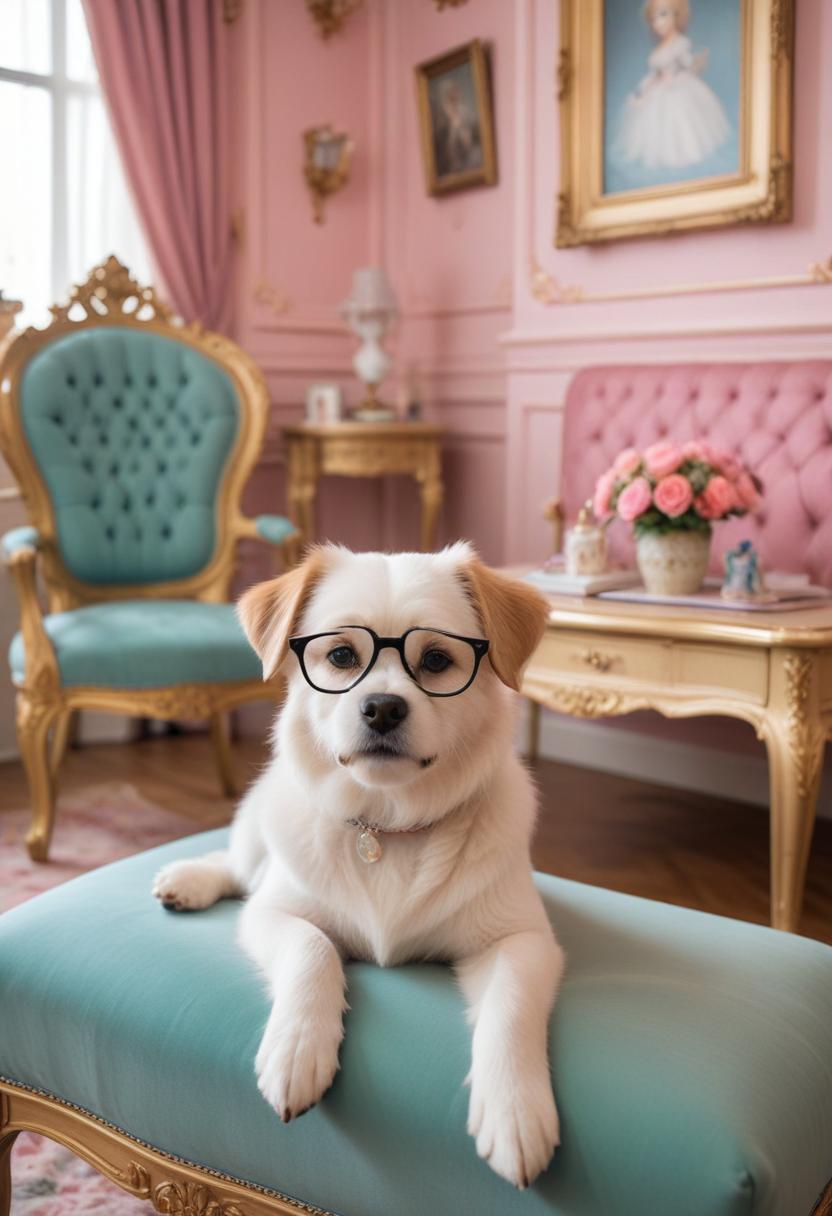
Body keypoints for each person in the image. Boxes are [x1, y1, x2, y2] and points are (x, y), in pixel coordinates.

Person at [614, 0, 730, 170]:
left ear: (676, 16)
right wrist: (643, 90)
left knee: (679, 121)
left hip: (676, 88)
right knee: (653, 122)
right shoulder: (658, 49)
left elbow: (687, 65)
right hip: (658, 89)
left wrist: (689, 69)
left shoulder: (680, 43)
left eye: (663, 15)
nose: (658, 23)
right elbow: (654, 74)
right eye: (653, 19)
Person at [433, 76, 481, 176]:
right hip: (449, 157)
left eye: (455, 91)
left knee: (476, 156)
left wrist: (465, 134)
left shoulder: (463, 111)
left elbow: (469, 136)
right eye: (451, 92)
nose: (455, 94)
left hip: (465, 151)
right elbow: (440, 139)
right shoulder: (440, 114)